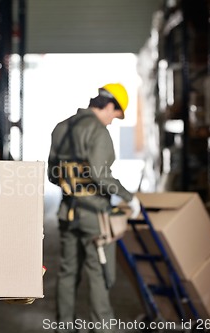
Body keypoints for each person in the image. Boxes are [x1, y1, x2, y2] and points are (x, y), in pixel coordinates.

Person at [47, 83, 140, 333]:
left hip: (67, 213)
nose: (112, 121)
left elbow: (52, 175)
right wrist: (128, 197)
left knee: (67, 273)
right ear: (109, 106)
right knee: (99, 272)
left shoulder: (61, 128)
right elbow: (101, 176)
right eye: (115, 115)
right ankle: (103, 327)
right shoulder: (98, 131)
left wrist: (73, 185)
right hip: (94, 217)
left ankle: (64, 326)